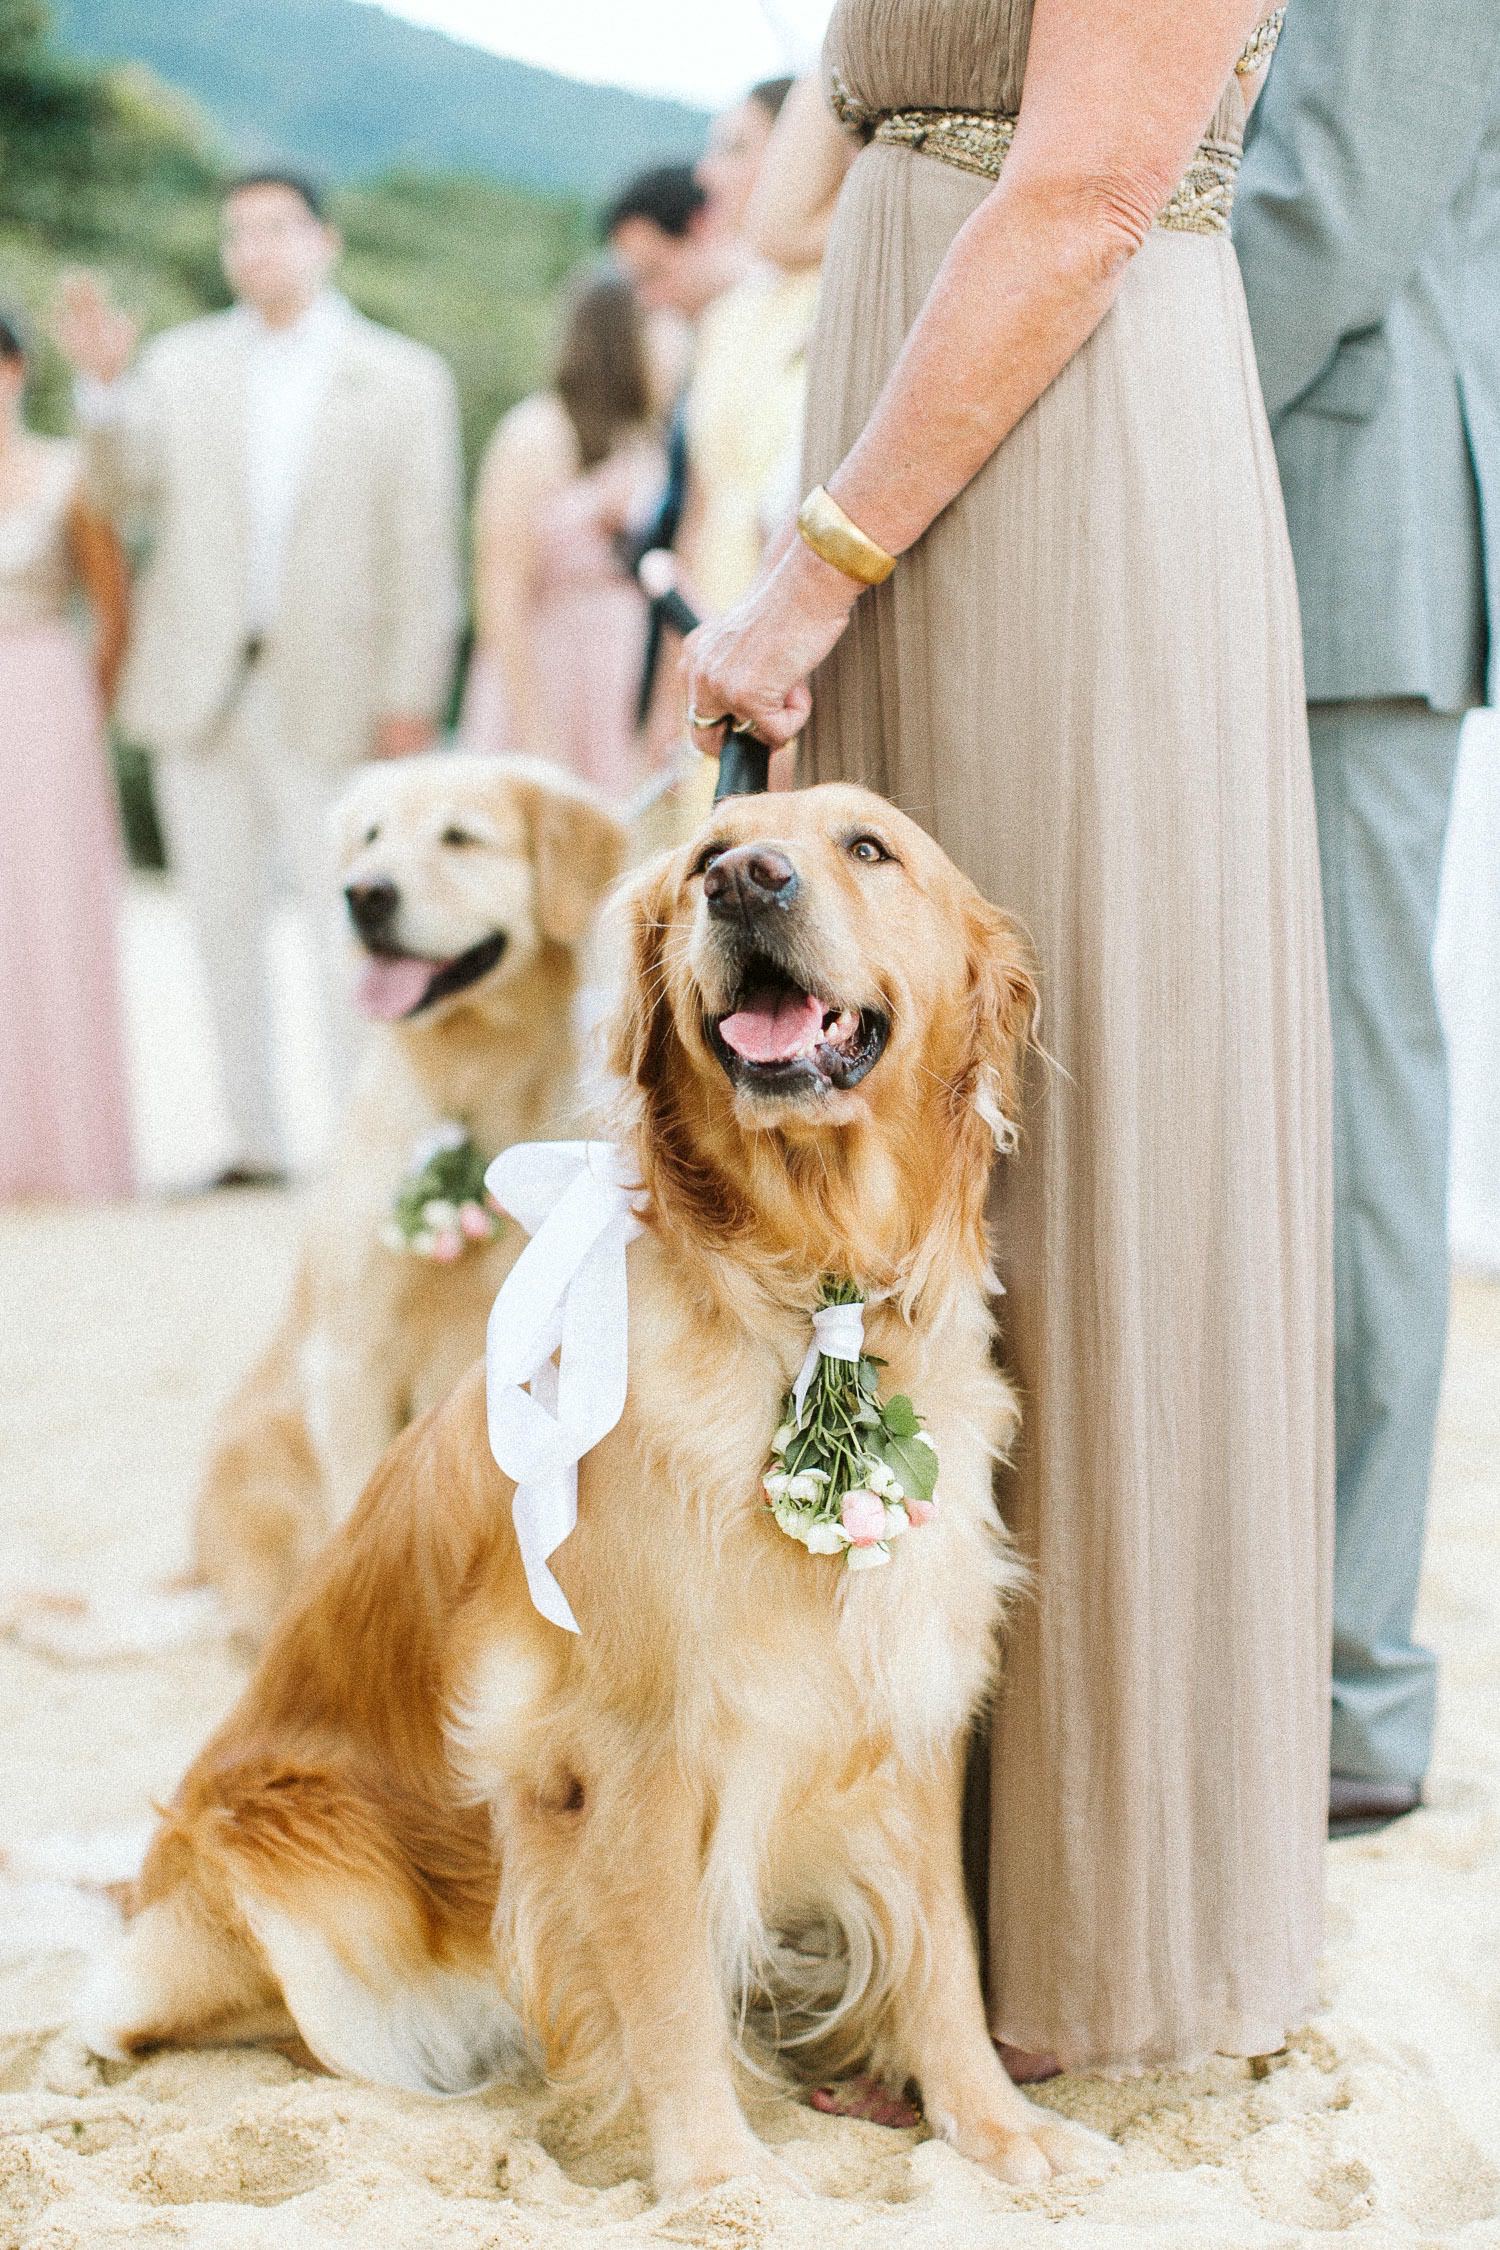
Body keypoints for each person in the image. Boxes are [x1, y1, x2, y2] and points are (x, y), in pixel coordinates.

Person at [686, 0, 1331, 2079]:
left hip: (1056, 475)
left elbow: (1076, 192)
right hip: (903, 444)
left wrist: (819, 558)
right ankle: (879, 1906)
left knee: (1067, 1155)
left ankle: (1075, 1934)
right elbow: (808, 170)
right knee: (867, 1175)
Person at [1235, 3, 1500, 1835]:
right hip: (1285, 507)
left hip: (1345, 514)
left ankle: (1349, 1679)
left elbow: (1324, 210)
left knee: (1351, 1101)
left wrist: (1063, 424)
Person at [53, 171, 464, 1189]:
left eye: (277, 228)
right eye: (237, 233)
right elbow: (119, 497)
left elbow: (425, 550)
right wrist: (102, 394)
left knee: (352, 923)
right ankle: (251, 1140)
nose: (255, 250)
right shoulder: (179, 363)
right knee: (218, 917)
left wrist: (412, 694)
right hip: (197, 686)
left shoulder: (402, 376)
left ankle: (361, 1140)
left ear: (323, 239)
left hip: (338, 690)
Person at [0, 308, 134, 1203]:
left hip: (40, 701)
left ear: (16, 370)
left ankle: (64, 1149)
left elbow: (114, 608)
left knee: (45, 912)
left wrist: (77, 709)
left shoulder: (67, 475)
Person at [462, 267, 666, 798]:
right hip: (547, 662)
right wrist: (533, 727)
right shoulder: (535, 432)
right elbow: (500, 585)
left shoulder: (646, 440)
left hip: (619, 669)